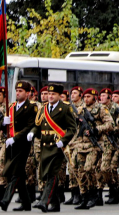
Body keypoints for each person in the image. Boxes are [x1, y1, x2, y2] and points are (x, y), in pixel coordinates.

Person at [31, 84, 78, 213]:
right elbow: (37, 125)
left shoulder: (65, 108)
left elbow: (72, 128)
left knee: (52, 174)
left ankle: (44, 201)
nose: (50, 96)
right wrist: (32, 132)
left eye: (53, 94)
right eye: (49, 94)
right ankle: (55, 204)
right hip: (45, 146)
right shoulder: (44, 108)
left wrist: (63, 141)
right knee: (46, 175)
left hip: (57, 147)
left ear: (59, 95)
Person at [0, 81, 39, 212]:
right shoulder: (11, 107)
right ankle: (26, 203)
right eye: (17, 90)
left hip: (22, 144)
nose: (18, 93)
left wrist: (15, 138)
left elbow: (30, 126)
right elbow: (0, 126)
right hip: (11, 144)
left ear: (27, 93)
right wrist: (3, 123)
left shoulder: (32, 107)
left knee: (15, 172)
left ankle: (5, 200)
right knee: (19, 174)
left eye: (21, 91)